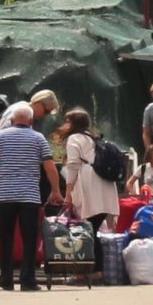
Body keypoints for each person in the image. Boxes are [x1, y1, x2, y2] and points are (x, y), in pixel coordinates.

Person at [0, 101, 63, 291]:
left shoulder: (0, 137)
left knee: (6, 237)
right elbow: (49, 166)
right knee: (29, 238)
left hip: (4, 195)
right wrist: (56, 190)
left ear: (12, 119)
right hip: (29, 196)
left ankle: (6, 278)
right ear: (30, 120)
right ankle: (27, 280)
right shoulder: (38, 138)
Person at [60, 108, 119, 278]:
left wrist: (68, 193)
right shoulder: (94, 139)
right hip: (105, 187)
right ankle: (95, 271)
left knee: (87, 230)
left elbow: (72, 166)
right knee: (91, 229)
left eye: (68, 121)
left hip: (88, 186)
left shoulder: (74, 139)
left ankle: (89, 272)